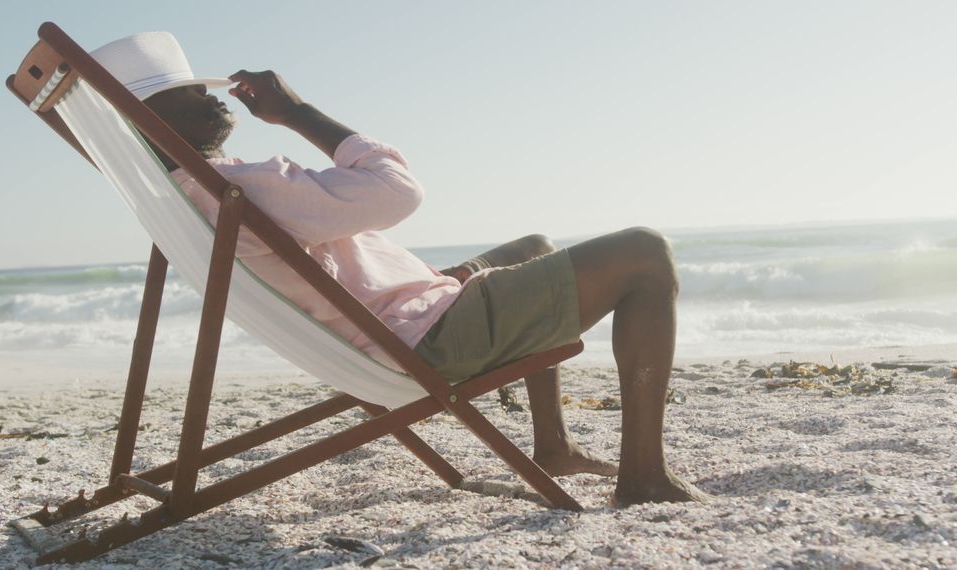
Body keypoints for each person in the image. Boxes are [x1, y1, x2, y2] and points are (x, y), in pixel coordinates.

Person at [93, 32, 705, 506]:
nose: (211, 96)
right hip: (424, 340)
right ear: (152, 114)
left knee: (535, 245)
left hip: (393, 324)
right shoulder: (240, 186)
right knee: (646, 252)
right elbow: (398, 192)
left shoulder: (181, 195)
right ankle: (645, 475)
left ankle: (554, 447)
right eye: (191, 93)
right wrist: (298, 112)